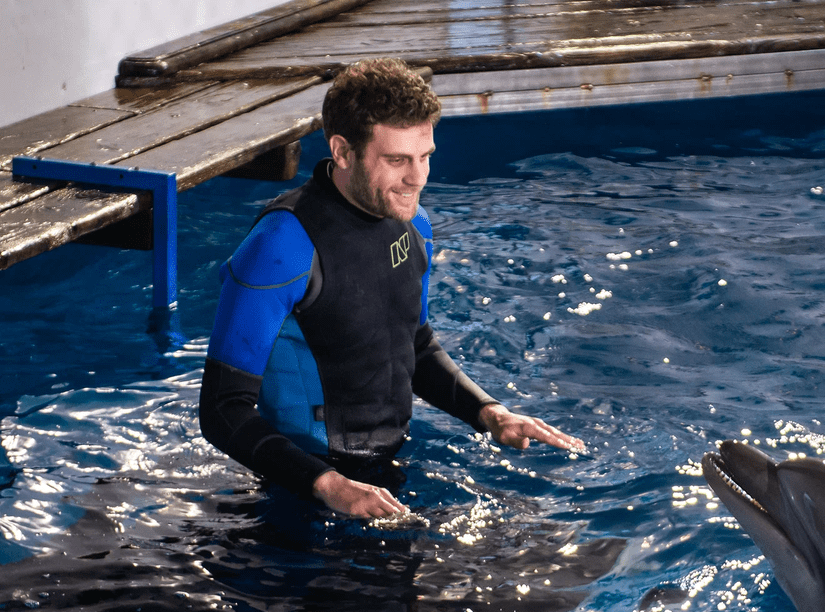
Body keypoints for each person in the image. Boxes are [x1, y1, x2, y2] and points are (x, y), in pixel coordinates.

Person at [199, 58, 581, 520]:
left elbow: (415, 346)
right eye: (397, 159)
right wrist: (329, 486)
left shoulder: (413, 224)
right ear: (342, 152)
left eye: (425, 156)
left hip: (385, 471)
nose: (417, 178)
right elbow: (223, 409)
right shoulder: (281, 247)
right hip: (298, 494)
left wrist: (489, 412)